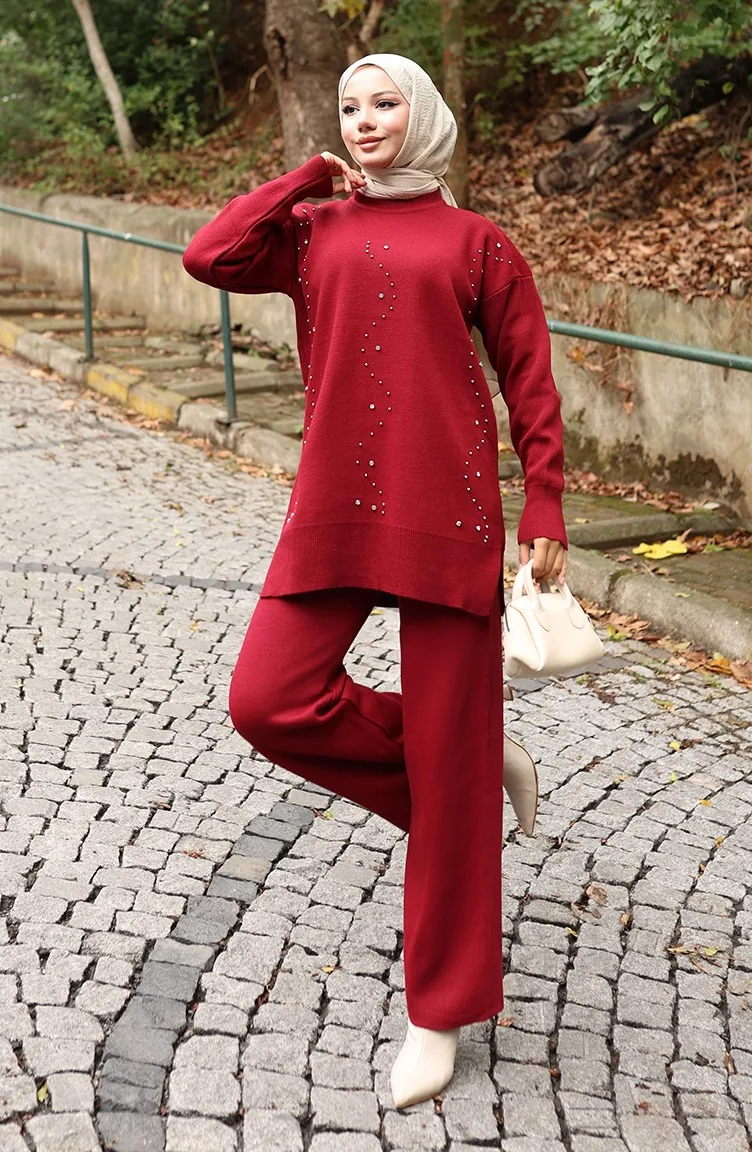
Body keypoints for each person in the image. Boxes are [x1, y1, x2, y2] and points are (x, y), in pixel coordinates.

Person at [182, 51, 568, 1110]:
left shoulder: (479, 242)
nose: (362, 120)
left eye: (383, 103)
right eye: (349, 106)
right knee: (266, 699)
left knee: (447, 773)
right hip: (335, 505)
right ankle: (474, 762)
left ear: (422, 113)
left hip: (447, 511)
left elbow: (530, 377)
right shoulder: (312, 230)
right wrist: (305, 178)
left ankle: (437, 1013)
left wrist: (544, 502)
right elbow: (210, 254)